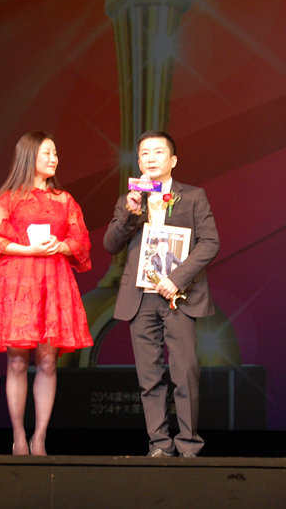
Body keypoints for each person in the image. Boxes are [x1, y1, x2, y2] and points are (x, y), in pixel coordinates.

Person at [0, 131, 93, 456]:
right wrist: (28, 249)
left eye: (55, 153)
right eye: (47, 153)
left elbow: (80, 241)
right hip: (18, 282)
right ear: (29, 156)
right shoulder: (8, 198)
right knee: (17, 361)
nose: (54, 159)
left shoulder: (64, 200)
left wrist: (61, 246)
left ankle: (39, 437)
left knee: (48, 362)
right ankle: (18, 436)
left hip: (53, 280)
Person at [103, 130, 219, 457]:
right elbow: (111, 244)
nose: (151, 158)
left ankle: (189, 444)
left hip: (178, 297)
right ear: (139, 162)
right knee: (149, 376)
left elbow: (210, 242)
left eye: (158, 152)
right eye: (144, 154)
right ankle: (159, 444)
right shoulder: (130, 199)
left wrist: (177, 279)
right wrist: (131, 211)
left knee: (185, 372)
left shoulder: (193, 196)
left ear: (173, 160)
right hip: (140, 297)